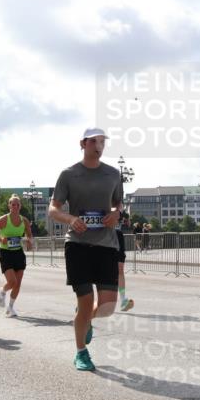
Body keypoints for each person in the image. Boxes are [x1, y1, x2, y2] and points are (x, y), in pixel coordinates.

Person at [48, 128, 124, 371]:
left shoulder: (113, 174)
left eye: (102, 141)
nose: (98, 145)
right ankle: (81, 352)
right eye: (94, 141)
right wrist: (70, 219)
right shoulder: (69, 174)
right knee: (86, 299)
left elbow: (118, 203)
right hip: (78, 244)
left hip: (106, 244)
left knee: (107, 307)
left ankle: (84, 318)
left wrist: (117, 213)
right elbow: (53, 208)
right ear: (82, 143)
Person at [0, 194, 34, 318]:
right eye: (12, 204)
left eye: (17, 204)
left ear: (20, 206)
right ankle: (2, 290)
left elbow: (29, 234)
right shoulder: (4, 219)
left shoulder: (24, 220)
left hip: (18, 253)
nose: (15, 206)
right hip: (6, 253)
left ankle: (11, 307)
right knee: (12, 282)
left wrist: (30, 242)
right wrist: (0, 239)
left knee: (18, 283)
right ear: (9, 206)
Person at [116, 210, 134, 312]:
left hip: (117, 235)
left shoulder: (117, 197)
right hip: (102, 235)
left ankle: (123, 300)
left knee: (120, 269)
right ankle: (85, 301)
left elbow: (121, 209)